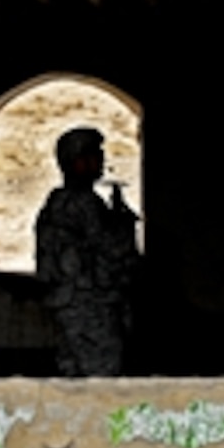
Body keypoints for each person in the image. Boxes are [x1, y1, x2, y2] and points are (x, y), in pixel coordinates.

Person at [35, 127, 140, 376]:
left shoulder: (57, 200)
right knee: (102, 374)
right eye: (92, 155)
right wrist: (123, 223)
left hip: (72, 302)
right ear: (75, 162)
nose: (100, 161)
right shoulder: (83, 203)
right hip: (90, 303)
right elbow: (112, 249)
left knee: (74, 375)